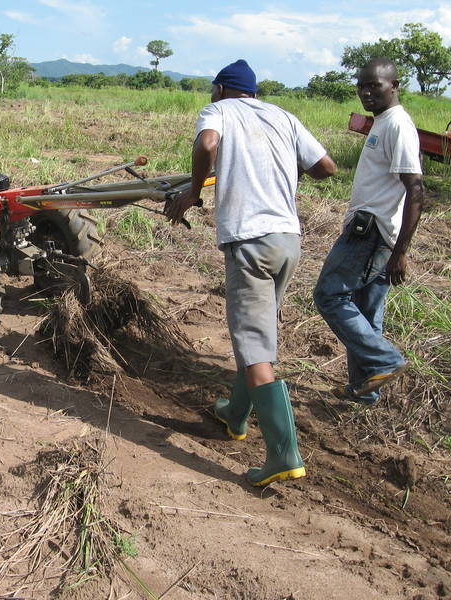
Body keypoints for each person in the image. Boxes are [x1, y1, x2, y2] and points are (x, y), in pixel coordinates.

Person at [166, 59, 337, 486]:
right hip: (288, 242)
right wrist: (281, 172)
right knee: (257, 333)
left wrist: (193, 192)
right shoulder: (284, 116)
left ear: (223, 89)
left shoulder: (219, 111)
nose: (211, 94)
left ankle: (283, 454)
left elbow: (207, 144)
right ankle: (236, 413)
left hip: (250, 244)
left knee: (256, 346)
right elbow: (326, 167)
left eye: (213, 88)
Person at [313, 58, 424, 404]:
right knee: (366, 314)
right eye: (361, 86)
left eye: (374, 85)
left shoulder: (397, 125)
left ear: (394, 86)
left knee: (329, 295)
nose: (366, 92)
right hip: (380, 234)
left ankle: (385, 359)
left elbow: (415, 190)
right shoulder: (383, 122)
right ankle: (364, 391)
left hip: (371, 233)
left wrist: (401, 251)